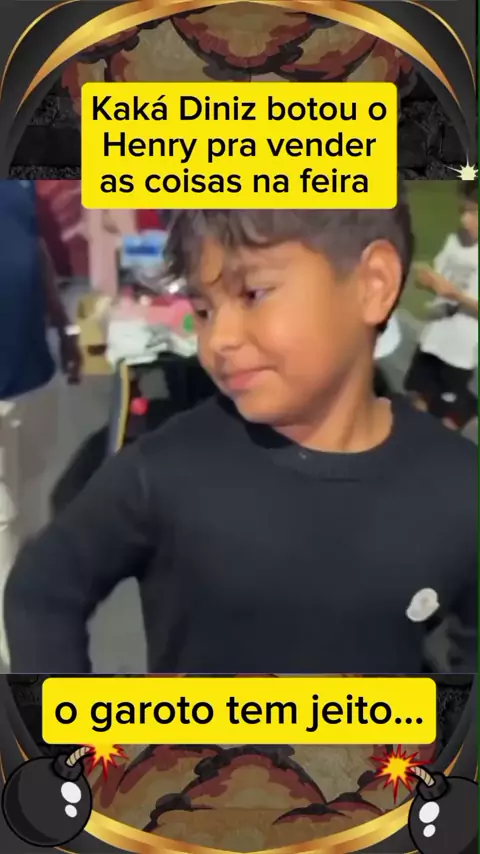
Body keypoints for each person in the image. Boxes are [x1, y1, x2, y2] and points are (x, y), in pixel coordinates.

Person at [5, 187, 477, 674]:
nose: (219, 340)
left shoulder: (458, 486)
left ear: (372, 284)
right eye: (203, 310)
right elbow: (41, 592)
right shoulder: (164, 471)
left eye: (253, 294)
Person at [0, 180, 81, 660]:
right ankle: (16, 654)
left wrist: (65, 329)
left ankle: (27, 606)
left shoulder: (18, 182)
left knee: (31, 505)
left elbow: (35, 251)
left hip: (33, 374)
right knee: (3, 522)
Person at [404, 181, 478, 430]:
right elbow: (437, 277)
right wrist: (425, 279)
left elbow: (454, 292)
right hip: (433, 335)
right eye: (463, 211)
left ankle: (467, 406)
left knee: (445, 422)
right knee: (417, 398)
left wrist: (456, 295)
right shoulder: (454, 240)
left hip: (460, 350)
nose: (465, 220)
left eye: (473, 213)